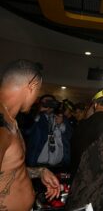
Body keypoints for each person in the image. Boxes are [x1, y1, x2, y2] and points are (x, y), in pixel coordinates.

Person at [0, 59, 60, 210]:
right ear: (32, 86)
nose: (36, 101)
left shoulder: (10, 120)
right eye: (38, 93)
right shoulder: (1, 124)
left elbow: (8, 169)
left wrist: (40, 172)